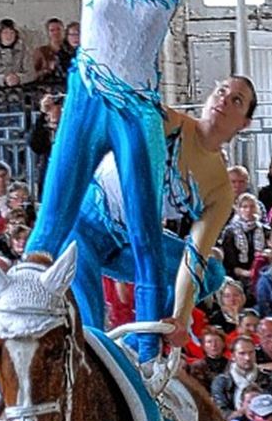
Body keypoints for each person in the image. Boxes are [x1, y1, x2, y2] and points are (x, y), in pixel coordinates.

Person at [23, 0, 272, 363]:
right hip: (88, 94)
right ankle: (35, 326)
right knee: (53, 213)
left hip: (137, 111)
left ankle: (143, 352)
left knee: (145, 235)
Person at [69, 76, 255, 343]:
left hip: (129, 242)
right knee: (92, 332)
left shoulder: (221, 189)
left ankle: (135, 344)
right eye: (221, 90)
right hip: (83, 226)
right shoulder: (168, 121)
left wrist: (180, 315)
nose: (224, 98)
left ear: (244, 123)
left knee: (213, 274)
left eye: (236, 100)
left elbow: (195, 257)